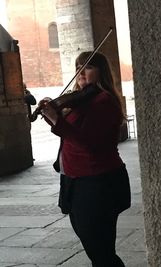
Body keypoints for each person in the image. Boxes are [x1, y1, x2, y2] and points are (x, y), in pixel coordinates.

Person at [40, 51, 131, 267]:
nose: (81, 72)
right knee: (93, 247)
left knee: (101, 252)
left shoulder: (103, 101)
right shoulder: (81, 100)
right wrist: (52, 116)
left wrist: (57, 120)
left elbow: (88, 142)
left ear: (101, 72)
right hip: (75, 179)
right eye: (78, 67)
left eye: (88, 67)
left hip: (97, 182)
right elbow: (69, 132)